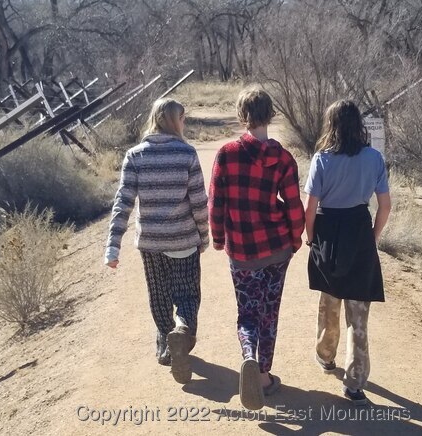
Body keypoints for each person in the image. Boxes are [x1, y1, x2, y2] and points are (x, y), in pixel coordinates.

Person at [209, 87, 305, 411]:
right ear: (271, 114)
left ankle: (249, 356)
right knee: (270, 311)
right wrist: (295, 239)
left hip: (242, 252)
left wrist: (219, 238)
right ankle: (263, 375)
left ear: (241, 115)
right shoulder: (282, 158)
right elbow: (294, 206)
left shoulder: (225, 154)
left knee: (248, 311)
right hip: (277, 249)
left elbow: (216, 203)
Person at [104, 98, 209, 385]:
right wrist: (204, 236)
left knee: (159, 294)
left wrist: (113, 244)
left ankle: (165, 344)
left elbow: (123, 201)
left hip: (150, 242)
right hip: (183, 239)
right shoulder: (186, 153)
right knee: (187, 294)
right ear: (175, 120)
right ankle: (182, 331)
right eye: (183, 117)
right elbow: (199, 202)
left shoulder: (135, 155)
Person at [303, 99, 392, 406]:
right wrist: (372, 237)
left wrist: (311, 239)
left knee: (330, 301)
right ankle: (354, 383)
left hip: (328, 231)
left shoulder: (322, 159)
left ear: (332, 125)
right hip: (359, 230)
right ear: (358, 125)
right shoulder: (374, 158)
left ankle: (326, 356)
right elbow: (385, 205)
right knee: (359, 313)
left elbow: (310, 208)